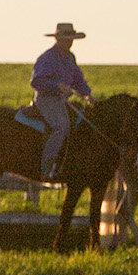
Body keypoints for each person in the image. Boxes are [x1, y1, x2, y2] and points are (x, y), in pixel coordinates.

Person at [31, 22, 92, 179]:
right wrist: (57, 86)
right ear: (58, 39)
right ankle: (46, 168)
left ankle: (67, 164)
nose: (69, 42)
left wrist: (88, 94)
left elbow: (78, 80)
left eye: (71, 39)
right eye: (66, 39)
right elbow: (36, 82)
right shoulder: (47, 58)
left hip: (61, 101)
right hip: (46, 100)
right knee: (60, 127)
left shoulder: (70, 58)